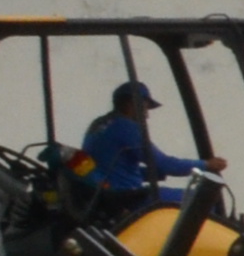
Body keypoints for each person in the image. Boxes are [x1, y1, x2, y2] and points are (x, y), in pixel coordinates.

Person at [79, 80, 225, 216]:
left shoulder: (98, 125)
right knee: (203, 200)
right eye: (145, 108)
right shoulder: (126, 127)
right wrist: (206, 165)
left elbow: (114, 168)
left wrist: (155, 173)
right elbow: (166, 164)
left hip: (106, 195)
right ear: (131, 104)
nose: (147, 115)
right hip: (128, 198)